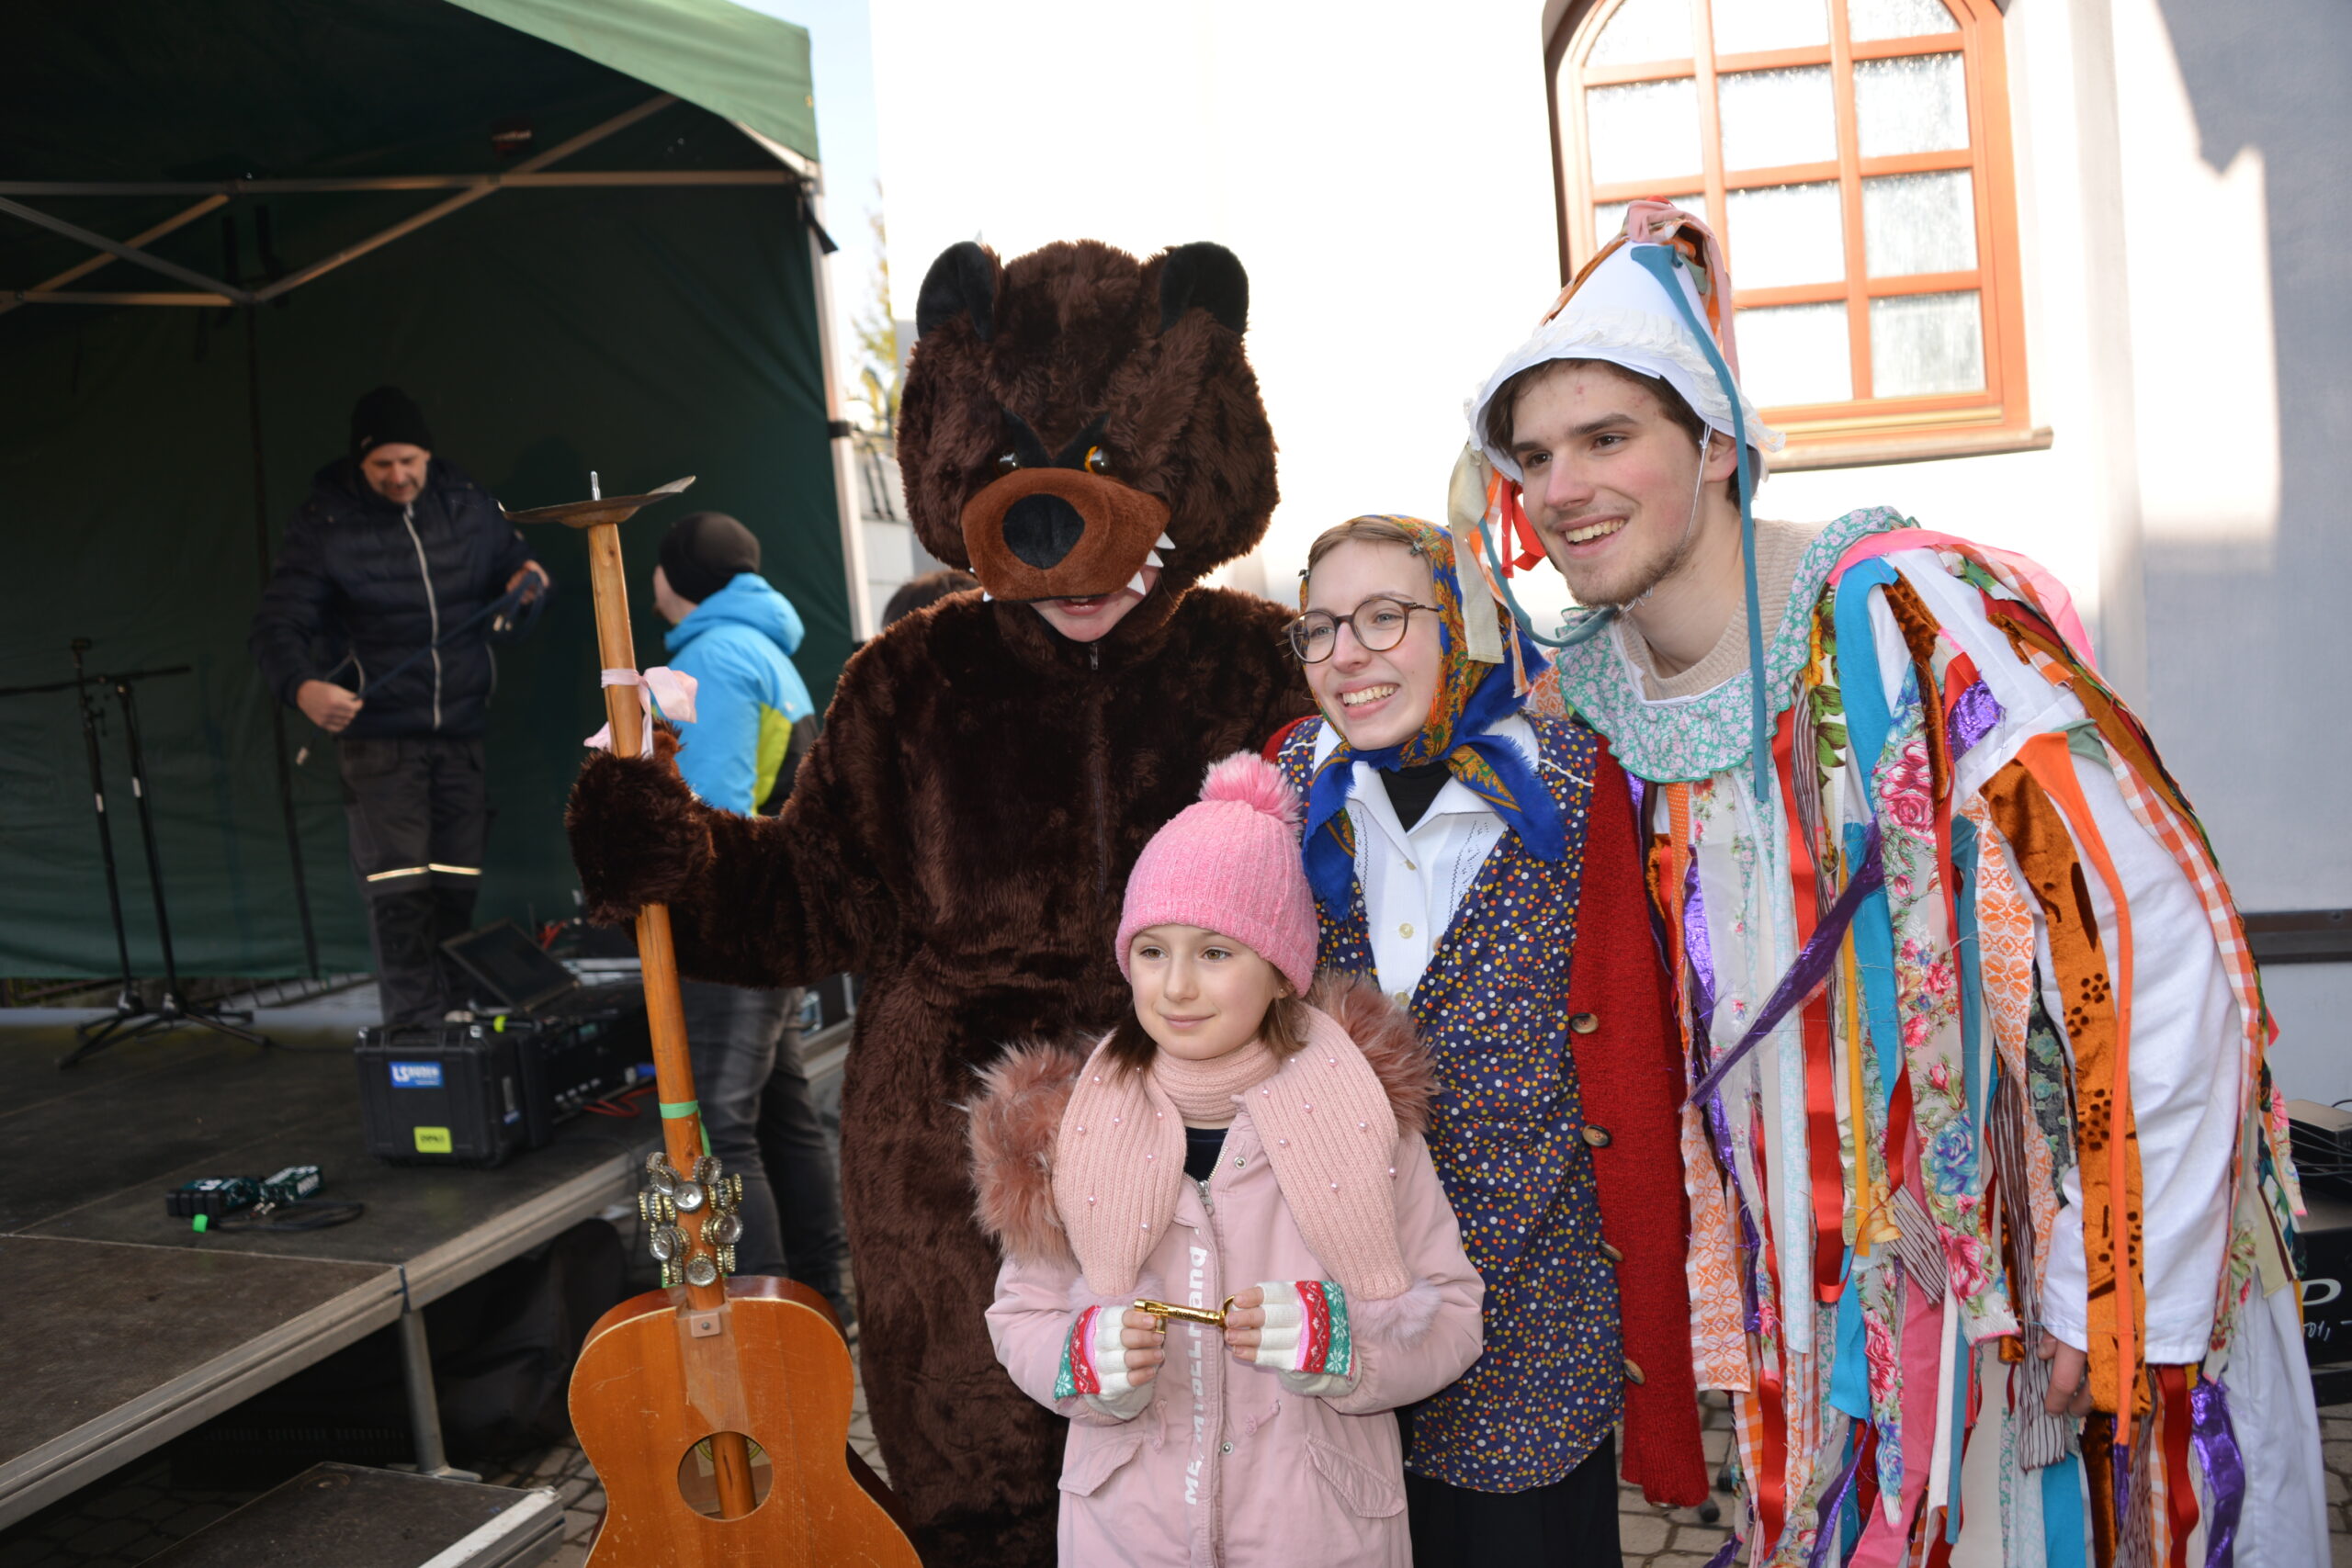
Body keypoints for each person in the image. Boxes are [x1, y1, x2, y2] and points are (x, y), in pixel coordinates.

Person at [1464, 201, 2324, 1563]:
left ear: (1718, 444)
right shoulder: (1597, 702)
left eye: (1608, 438)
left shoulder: (1910, 620)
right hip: (1831, 1334)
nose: (1563, 486)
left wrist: (2098, 1288)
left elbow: (2141, 940)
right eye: (1533, 456)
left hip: (2037, 1292)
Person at [563, 239, 1311, 1563]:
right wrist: (674, 852)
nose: (1064, 543)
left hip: (1216, 1143)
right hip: (951, 1167)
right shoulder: (911, 677)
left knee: (1223, 1478)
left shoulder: (1263, 668)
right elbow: (812, 901)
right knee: (989, 1495)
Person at [1272, 513, 1705, 1562]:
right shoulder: (1285, 784)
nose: (1347, 654)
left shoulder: (1576, 781)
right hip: (1345, 1302)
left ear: (1461, 620)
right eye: (1321, 628)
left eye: (1385, 616)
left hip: (1532, 1310)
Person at [969, 752, 1483, 1566]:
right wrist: (1083, 1358)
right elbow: (1021, 1315)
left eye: (1215, 952)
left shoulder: (1364, 1118)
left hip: (1316, 1536)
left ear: (1281, 972)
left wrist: (1342, 1346)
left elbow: (1453, 1315)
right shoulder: (1075, 1128)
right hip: (1125, 1536)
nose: (1175, 986)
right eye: (1152, 950)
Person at [249, 386, 548, 1026]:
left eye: (408, 460)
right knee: (400, 892)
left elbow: (514, 559)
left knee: (455, 886)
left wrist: (528, 578)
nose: (397, 475)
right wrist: (303, 688)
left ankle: (457, 1019)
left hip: (461, 731)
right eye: (381, 463)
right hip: (379, 741)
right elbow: (276, 626)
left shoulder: (467, 502)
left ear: (427, 455)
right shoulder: (324, 522)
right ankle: (417, 1035)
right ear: (359, 462)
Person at [648, 509, 847, 1324]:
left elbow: (713, 806)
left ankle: (769, 1321)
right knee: (784, 1114)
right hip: (776, 912)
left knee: (722, 1126)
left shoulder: (710, 657)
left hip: (734, 920)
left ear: (677, 579)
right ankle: (823, 1300)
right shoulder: (763, 647)